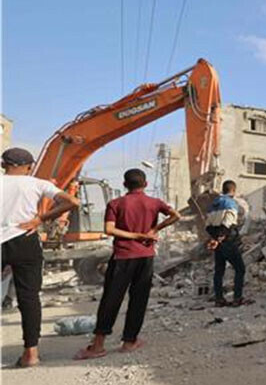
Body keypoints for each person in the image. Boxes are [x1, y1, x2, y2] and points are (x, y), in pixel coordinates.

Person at [74, 169, 180, 360]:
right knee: (139, 299)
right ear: (145, 184)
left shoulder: (116, 203)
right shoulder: (154, 203)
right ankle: (129, 342)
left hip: (123, 257)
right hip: (146, 257)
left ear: (124, 185)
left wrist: (136, 235)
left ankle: (98, 346)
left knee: (111, 299)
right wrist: (153, 230)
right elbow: (176, 215)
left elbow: (109, 229)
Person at [2, 148, 79, 367]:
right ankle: (31, 354)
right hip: (25, 240)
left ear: (3, 165)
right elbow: (73, 202)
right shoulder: (37, 184)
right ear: (29, 166)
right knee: (29, 298)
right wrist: (40, 219)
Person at [205, 180, 252, 307]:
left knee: (219, 271)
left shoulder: (213, 205)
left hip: (217, 242)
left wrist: (214, 239)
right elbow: (228, 223)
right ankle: (237, 298)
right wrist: (220, 238)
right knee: (240, 269)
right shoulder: (231, 203)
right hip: (228, 241)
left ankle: (219, 299)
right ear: (233, 190)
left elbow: (208, 226)